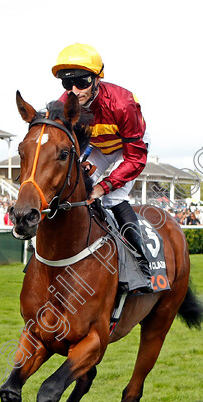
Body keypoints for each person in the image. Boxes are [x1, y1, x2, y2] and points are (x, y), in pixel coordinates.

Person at [54, 43, 152, 293]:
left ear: (97, 79)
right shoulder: (64, 104)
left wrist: (104, 186)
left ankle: (141, 265)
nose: (74, 91)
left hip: (128, 148)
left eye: (82, 82)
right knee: (77, 191)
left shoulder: (123, 102)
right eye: (68, 84)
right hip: (97, 148)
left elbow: (135, 158)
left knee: (112, 197)